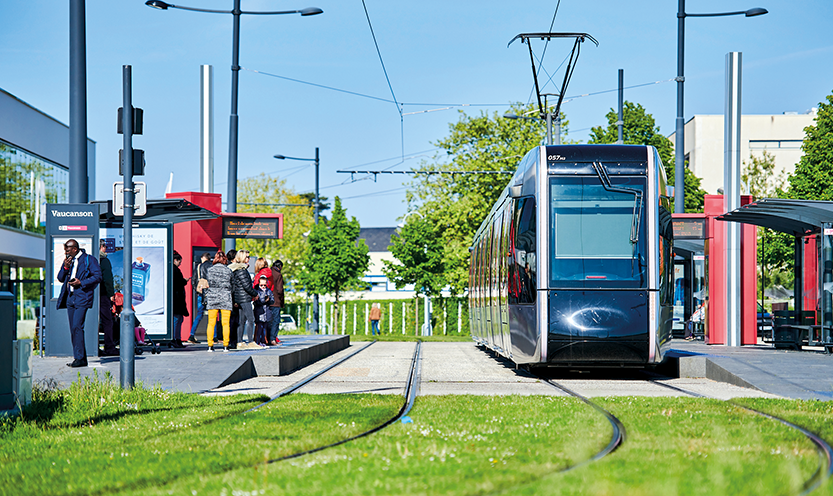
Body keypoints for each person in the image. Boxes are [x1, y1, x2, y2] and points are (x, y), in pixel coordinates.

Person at [56, 239, 102, 368]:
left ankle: (80, 358)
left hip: (82, 297)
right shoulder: (69, 261)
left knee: (77, 326)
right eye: (65, 250)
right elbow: (60, 278)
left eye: (68, 250)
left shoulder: (89, 260)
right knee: (74, 328)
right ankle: (80, 357)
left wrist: (81, 282)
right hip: (70, 298)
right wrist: (65, 267)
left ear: (75, 249)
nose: (66, 252)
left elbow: (98, 277)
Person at [205, 250, 233, 352]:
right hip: (225, 297)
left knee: (211, 323)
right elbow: (232, 285)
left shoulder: (210, 270)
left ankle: (210, 345)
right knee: (225, 323)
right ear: (225, 259)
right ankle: (225, 345)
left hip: (212, 297)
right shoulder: (228, 270)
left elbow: (208, 283)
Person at [230, 250, 259, 349]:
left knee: (241, 321)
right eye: (247, 257)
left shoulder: (236, 269)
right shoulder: (241, 270)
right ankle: (250, 341)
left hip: (239, 298)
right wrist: (255, 294)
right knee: (251, 319)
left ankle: (240, 342)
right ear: (242, 258)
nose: (249, 258)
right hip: (244, 298)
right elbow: (246, 286)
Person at [98, 240, 118, 356]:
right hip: (103, 295)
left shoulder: (91, 260)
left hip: (92, 295)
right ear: (101, 247)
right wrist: (111, 294)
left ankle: (95, 347)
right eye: (105, 246)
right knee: (107, 321)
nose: (106, 248)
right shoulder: (104, 261)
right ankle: (109, 346)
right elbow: (108, 279)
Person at [188, 252, 211, 343]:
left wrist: (197, 290)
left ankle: (192, 335)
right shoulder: (211, 266)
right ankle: (214, 336)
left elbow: (193, 281)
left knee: (199, 315)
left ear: (203, 258)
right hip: (210, 293)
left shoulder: (198, 267)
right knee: (212, 314)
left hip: (201, 294)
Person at [171, 250, 189, 348]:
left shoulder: (173, 269)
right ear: (175, 260)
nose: (180, 263)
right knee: (177, 320)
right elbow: (177, 282)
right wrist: (184, 281)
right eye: (179, 261)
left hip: (177, 299)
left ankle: (176, 338)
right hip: (177, 299)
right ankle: (175, 339)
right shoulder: (175, 270)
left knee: (178, 319)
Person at [253, 275, 274, 345]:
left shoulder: (269, 291)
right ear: (259, 284)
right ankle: (258, 341)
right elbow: (257, 302)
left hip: (267, 312)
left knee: (265, 328)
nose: (263, 287)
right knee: (259, 328)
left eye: (264, 285)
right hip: (259, 312)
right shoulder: (257, 291)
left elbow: (272, 301)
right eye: (261, 285)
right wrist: (264, 301)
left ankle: (263, 341)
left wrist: (269, 300)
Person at [269, 259, 285, 346]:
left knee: (268, 321)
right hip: (276, 301)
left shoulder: (269, 272)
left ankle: (266, 338)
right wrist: (282, 302)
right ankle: (272, 339)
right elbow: (280, 290)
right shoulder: (278, 274)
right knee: (275, 321)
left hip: (267, 301)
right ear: (280, 267)